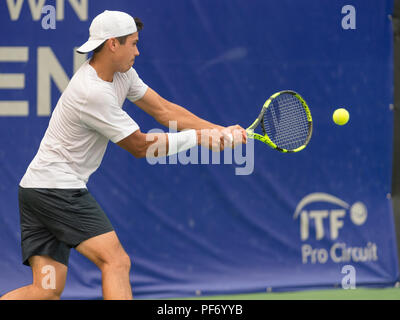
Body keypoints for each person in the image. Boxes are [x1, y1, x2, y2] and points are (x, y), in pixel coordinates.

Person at [0, 10, 247, 300]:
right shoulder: (92, 92)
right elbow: (140, 147)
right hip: (56, 189)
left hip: (35, 190)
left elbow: (165, 111)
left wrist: (220, 130)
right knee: (115, 261)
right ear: (112, 44)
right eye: (133, 43)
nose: (138, 51)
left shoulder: (123, 74)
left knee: (46, 289)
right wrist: (199, 138)